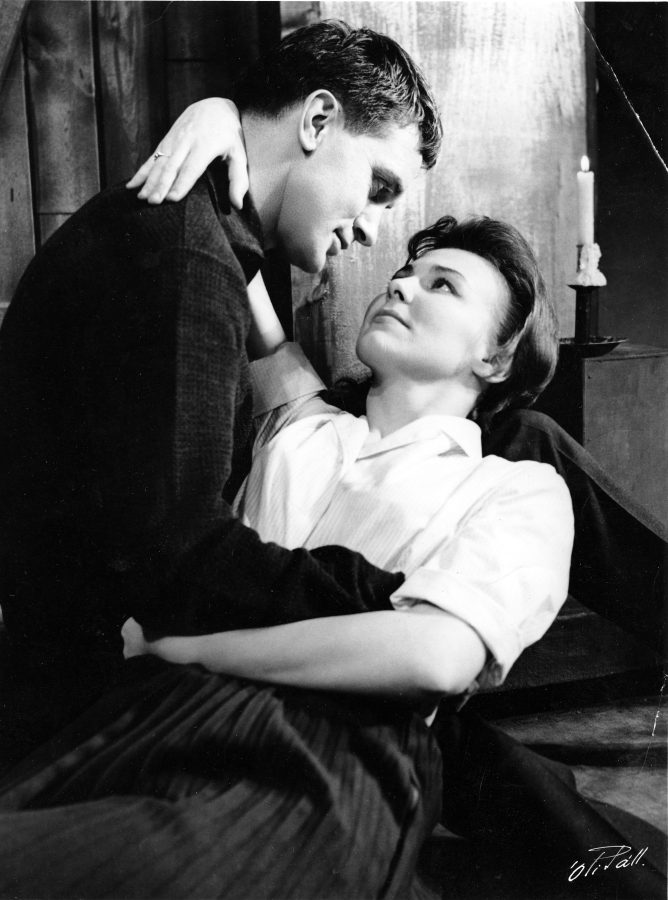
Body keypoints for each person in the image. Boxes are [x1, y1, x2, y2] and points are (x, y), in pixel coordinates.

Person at [0, 20, 447, 899]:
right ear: (317, 120)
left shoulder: (204, 234)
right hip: (80, 694)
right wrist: (379, 596)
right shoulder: (184, 259)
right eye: (379, 186)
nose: (373, 229)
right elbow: (175, 556)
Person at [122, 214, 574, 709]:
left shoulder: (517, 491)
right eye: (401, 276)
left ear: (496, 358)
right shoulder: (301, 424)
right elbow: (230, 245)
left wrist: (181, 651)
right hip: (169, 714)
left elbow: (437, 657)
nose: (399, 287)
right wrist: (214, 160)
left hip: (323, 741)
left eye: (442, 285)